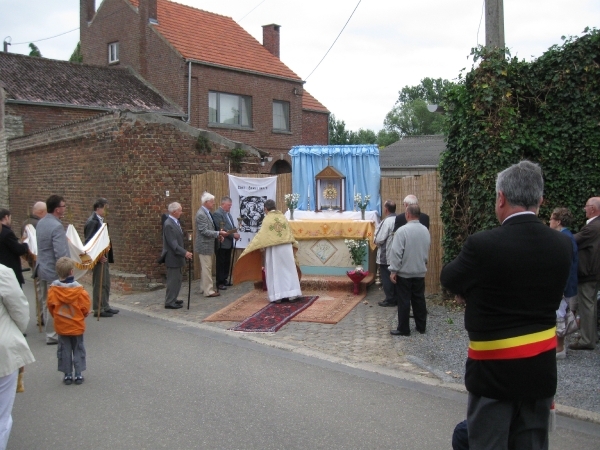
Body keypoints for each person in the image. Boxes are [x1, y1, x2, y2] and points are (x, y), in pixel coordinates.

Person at [440, 160, 572, 449]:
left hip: (493, 376)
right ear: (539, 201)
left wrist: (472, 292)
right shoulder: (562, 245)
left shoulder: (483, 245)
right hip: (540, 372)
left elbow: (449, 278)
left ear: (501, 197)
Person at [233, 199, 302, 303]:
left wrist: (253, 246)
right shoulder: (283, 217)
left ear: (266, 209)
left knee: (275, 270)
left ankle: (277, 296)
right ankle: (292, 293)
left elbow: (261, 236)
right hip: (286, 248)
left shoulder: (267, 219)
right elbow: (290, 233)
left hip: (274, 249)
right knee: (288, 269)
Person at [0, 263, 35, 450]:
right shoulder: (3, 273)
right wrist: (18, 334)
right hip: (2, 352)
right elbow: (20, 311)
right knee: (2, 416)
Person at [47, 257, 91, 386]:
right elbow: (85, 307)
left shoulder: (53, 291)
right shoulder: (80, 291)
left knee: (64, 349)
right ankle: (78, 373)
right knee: (78, 348)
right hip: (76, 325)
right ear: (72, 272)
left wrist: (57, 317)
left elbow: (51, 307)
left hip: (62, 326)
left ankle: (67, 374)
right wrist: (82, 315)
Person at [388, 204, 430, 335]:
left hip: (405, 272)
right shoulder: (425, 230)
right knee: (419, 299)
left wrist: (393, 270)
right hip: (419, 270)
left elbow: (396, 252)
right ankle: (421, 326)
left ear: (407, 214)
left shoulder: (402, 231)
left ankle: (404, 328)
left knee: (404, 300)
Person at [35, 195, 69, 345]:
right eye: (63, 206)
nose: (65, 208)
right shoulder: (56, 226)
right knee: (56, 302)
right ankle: (53, 334)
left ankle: (51, 331)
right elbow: (60, 253)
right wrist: (66, 271)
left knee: (45, 301)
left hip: (41, 267)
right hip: (53, 271)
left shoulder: (41, 223)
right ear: (57, 209)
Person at [569, 197, 600, 350]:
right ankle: (591, 335)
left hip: (588, 272)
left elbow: (574, 240)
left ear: (593, 209)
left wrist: (561, 234)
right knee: (591, 304)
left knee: (587, 305)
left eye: (586, 206)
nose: (584, 209)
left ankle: (587, 340)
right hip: (594, 271)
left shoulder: (592, 227)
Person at [548, 207, 578, 358]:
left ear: (558, 221)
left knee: (560, 316)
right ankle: (558, 346)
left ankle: (559, 348)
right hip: (566, 285)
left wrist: (561, 288)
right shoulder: (567, 237)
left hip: (563, 286)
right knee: (561, 315)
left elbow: (567, 265)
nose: (549, 222)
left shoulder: (564, 239)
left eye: (551, 219)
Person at [84, 198, 118, 318]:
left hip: (104, 256)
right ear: (98, 208)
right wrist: (97, 257)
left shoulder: (100, 220)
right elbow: (89, 242)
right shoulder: (92, 222)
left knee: (106, 282)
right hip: (99, 258)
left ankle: (105, 305)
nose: (106, 211)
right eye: (105, 208)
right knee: (99, 283)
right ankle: (98, 308)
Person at [194, 193, 228, 298]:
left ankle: (203, 287)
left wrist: (217, 235)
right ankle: (208, 290)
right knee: (207, 268)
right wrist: (218, 233)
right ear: (206, 202)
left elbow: (210, 230)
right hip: (204, 245)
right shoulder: (201, 214)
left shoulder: (207, 213)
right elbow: (204, 231)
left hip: (208, 244)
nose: (213, 203)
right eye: (212, 201)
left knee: (206, 267)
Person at [161, 202, 193, 309]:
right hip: (172, 257)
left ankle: (174, 298)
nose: (181, 212)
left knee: (178, 279)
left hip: (177, 257)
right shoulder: (169, 224)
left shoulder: (175, 222)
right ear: (174, 212)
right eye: (180, 210)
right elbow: (173, 244)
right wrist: (185, 253)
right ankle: (169, 301)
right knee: (173, 280)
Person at [212, 196, 240, 290]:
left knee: (227, 261)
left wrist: (236, 232)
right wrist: (233, 235)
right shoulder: (217, 214)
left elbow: (231, 227)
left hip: (229, 242)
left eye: (231, 205)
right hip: (222, 242)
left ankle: (224, 279)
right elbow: (222, 228)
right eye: (229, 205)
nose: (230, 207)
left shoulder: (229, 214)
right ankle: (219, 281)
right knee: (221, 262)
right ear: (223, 204)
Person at [374, 200, 398, 307]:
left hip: (386, 255)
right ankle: (396, 297)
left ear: (386, 209)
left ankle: (390, 299)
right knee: (396, 276)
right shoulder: (400, 219)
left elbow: (379, 239)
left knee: (386, 277)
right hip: (397, 254)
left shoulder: (386, 222)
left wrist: (374, 240)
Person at [0, 209, 29, 287]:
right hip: (10, 271)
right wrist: (26, 244)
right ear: (6, 217)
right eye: (10, 218)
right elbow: (18, 249)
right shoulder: (7, 233)